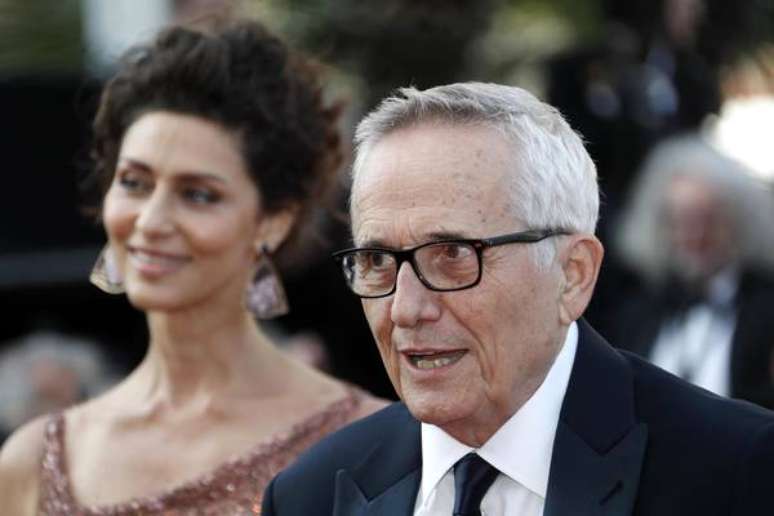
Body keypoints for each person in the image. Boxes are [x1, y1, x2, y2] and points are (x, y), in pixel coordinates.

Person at [261, 83, 774, 516]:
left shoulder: (736, 471)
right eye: (376, 261)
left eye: (453, 255)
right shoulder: (311, 494)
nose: (405, 309)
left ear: (573, 275)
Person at [0, 20, 385, 515]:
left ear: (272, 221)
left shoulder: (368, 446)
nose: (152, 220)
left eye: (198, 194)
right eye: (135, 183)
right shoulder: (33, 463)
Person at [610, 134, 774, 408]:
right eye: (679, 221)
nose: (693, 236)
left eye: (707, 220)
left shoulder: (766, 308)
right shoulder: (639, 314)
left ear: (736, 221)